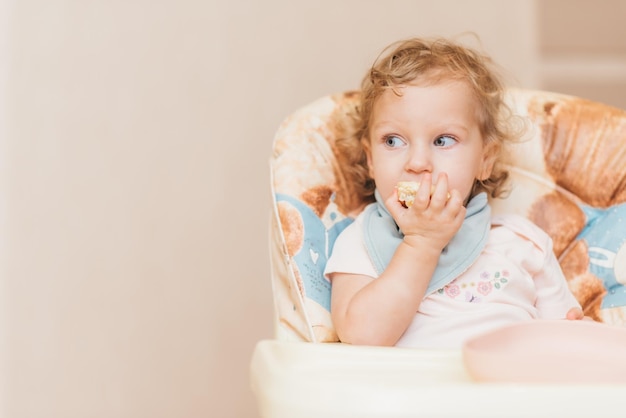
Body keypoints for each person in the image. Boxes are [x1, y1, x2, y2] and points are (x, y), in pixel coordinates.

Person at [324, 37, 585, 348]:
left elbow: (562, 344)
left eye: (443, 140)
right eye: (393, 141)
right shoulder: (361, 241)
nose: (418, 163)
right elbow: (360, 337)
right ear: (370, 159)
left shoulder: (524, 244)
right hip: (412, 393)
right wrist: (422, 244)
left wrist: (571, 338)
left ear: (485, 160)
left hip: (510, 391)